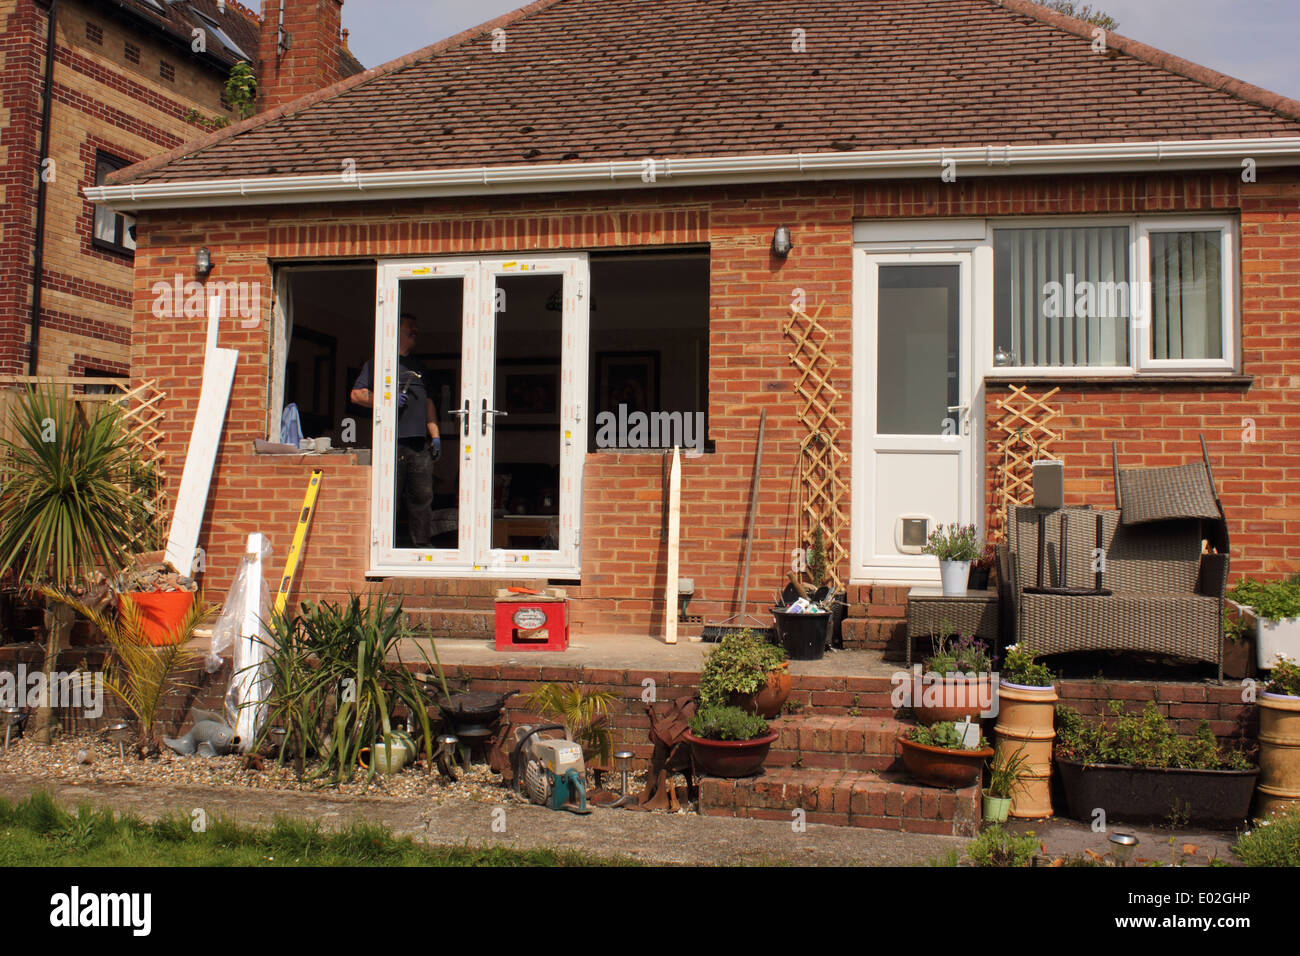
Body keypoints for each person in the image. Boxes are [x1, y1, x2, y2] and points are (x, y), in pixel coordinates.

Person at [351, 313, 442, 547]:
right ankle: (385, 547)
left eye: (416, 328)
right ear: (396, 331)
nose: (415, 331)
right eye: (410, 327)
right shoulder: (379, 364)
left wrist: (435, 436)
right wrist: (385, 399)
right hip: (390, 442)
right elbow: (356, 395)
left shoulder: (421, 367)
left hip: (418, 444)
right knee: (390, 495)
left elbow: (428, 403)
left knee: (422, 496)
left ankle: (422, 546)